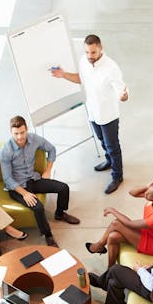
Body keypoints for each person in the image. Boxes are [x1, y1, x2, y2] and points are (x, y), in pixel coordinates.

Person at [51, 34, 128, 194]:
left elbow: (122, 90)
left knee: (112, 146)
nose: (89, 56)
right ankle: (108, 161)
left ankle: (117, 176)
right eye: (87, 52)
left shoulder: (111, 68)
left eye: (93, 52)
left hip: (108, 116)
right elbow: (82, 79)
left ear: (101, 49)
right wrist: (63, 74)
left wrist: (124, 96)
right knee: (101, 140)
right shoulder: (83, 61)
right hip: (93, 112)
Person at [0, 116, 80, 247]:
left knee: (63, 188)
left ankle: (59, 214)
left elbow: (52, 149)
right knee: (38, 207)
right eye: (16, 134)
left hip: (33, 179)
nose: (20, 137)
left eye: (22, 132)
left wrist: (48, 170)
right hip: (17, 187)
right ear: (11, 132)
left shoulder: (34, 138)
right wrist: (24, 193)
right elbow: (7, 179)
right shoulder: (6, 150)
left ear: (26, 129)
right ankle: (48, 235)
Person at [85, 181, 153, 267]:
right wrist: (147, 186)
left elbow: (130, 224)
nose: (146, 193)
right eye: (148, 190)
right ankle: (110, 270)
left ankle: (99, 246)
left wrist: (112, 210)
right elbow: (132, 192)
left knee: (115, 223)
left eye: (149, 194)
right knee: (112, 237)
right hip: (148, 232)